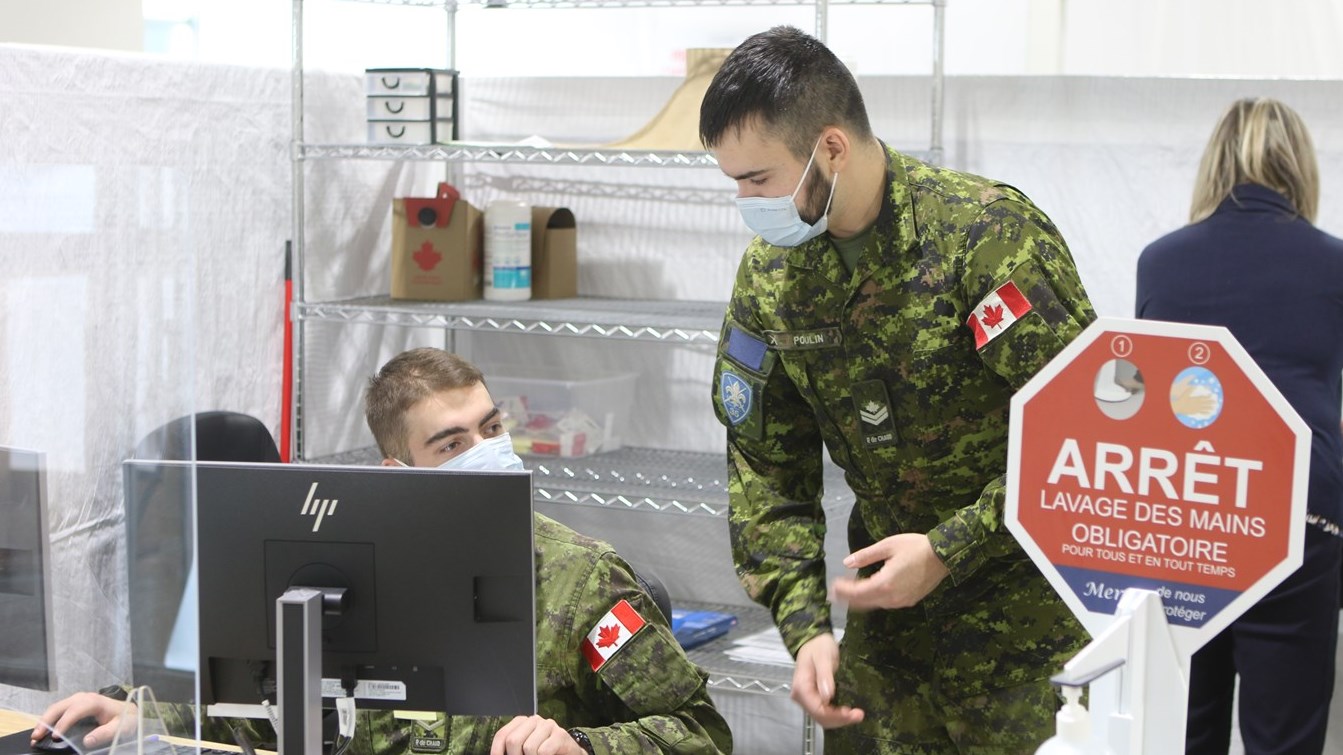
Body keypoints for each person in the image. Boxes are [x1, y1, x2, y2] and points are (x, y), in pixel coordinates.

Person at [700, 26, 1095, 752]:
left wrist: (949, 547)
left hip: (1024, 636)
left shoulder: (984, 236)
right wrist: (806, 627)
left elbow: (1084, 431)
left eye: (757, 180)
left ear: (830, 148)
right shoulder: (772, 276)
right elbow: (765, 466)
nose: (746, 201)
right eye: (734, 183)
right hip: (886, 646)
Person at [33, 348, 732, 755]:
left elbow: (700, 732)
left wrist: (577, 744)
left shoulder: (579, 579)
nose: (488, 451)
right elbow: (255, 703)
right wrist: (143, 713)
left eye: (491, 428)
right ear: (400, 473)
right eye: (452, 443)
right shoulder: (343, 573)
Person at [1136, 97, 1343, 754]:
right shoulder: (1333, 264)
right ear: (1300, 166)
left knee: (1184, 729)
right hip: (1297, 511)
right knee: (1283, 737)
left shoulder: (1161, 261)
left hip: (1191, 511)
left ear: (1214, 163)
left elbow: (1149, 405)